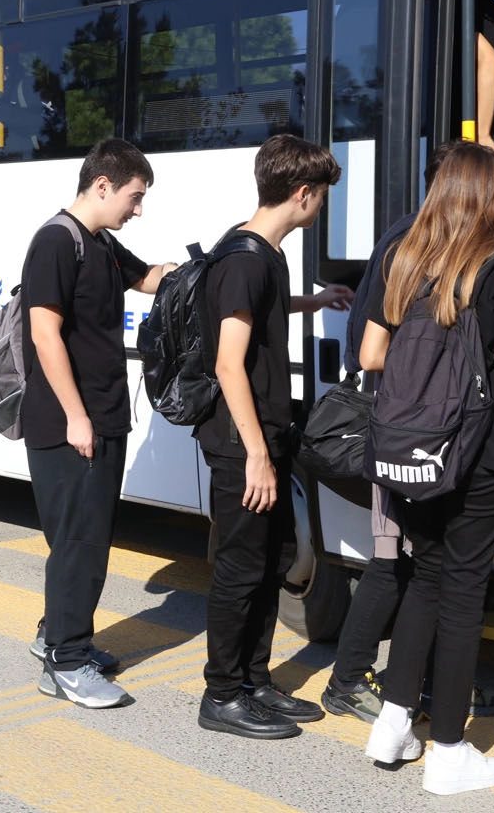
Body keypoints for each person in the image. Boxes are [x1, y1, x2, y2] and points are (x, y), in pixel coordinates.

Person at [359, 142, 494, 796]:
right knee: (463, 596)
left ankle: (393, 724)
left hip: (410, 452)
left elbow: (370, 354)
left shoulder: (403, 259)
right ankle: (448, 751)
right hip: (479, 454)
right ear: (489, 197)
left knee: (425, 579)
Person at [196, 134, 353, 740]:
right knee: (240, 568)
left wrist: (310, 303)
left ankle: (255, 680)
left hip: (267, 433)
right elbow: (229, 364)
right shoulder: (244, 258)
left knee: (272, 561)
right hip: (243, 445)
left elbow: (258, 310)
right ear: (303, 194)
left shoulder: (263, 252)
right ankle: (221, 693)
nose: (320, 212)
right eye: (321, 200)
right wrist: (259, 455)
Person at [23, 138, 175, 709]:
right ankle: (66, 660)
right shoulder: (55, 243)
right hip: (70, 424)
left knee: (83, 540)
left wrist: (203, 269)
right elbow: (44, 334)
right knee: (79, 543)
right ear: (103, 185)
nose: (138, 210)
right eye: (134, 198)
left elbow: (149, 279)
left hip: (100, 416)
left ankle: (54, 636)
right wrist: (77, 417)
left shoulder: (101, 245)